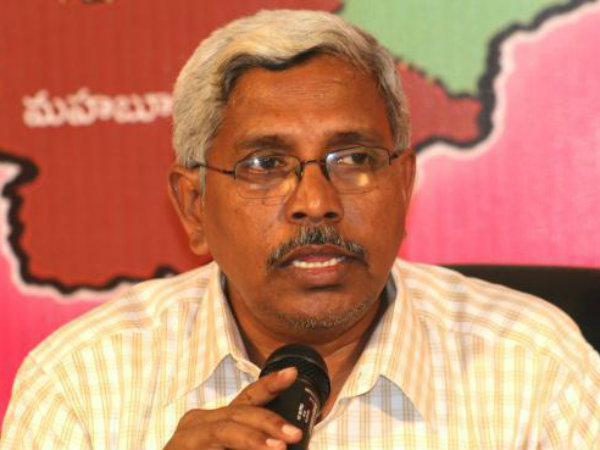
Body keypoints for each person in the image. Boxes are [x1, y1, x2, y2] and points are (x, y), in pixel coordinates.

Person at [1, 9, 599, 450]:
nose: (316, 202)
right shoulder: (82, 382)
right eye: (264, 164)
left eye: (355, 158)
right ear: (194, 206)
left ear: (403, 184)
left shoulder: (534, 364)